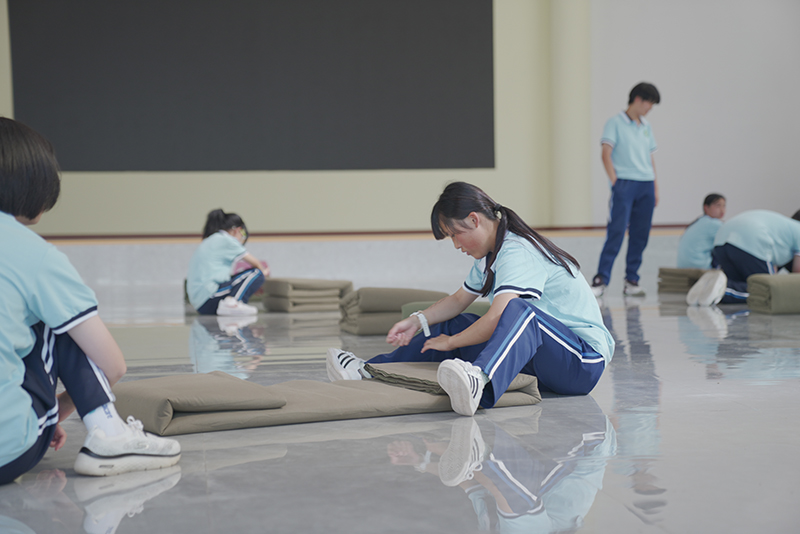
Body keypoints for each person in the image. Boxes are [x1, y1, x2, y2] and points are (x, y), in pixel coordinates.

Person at [326, 182, 614, 416]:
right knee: (455, 322)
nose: (455, 245)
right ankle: (368, 371)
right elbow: (457, 300)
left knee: (519, 311)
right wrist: (417, 321)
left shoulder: (518, 251)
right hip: (543, 360)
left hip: (582, 363)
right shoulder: (489, 257)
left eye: (455, 234)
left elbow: (500, 316)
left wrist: (452, 343)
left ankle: (480, 381)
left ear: (474, 220)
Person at [0, 118, 180, 485]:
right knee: (59, 318)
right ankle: (109, 432)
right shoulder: (34, 254)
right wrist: (57, 409)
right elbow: (113, 365)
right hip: (8, 447)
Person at [591, 82, 661, 298]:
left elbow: (650, 158)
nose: (650, 108)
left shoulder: (646, 126)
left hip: (646, 184)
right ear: (638, 99)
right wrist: (616, 182)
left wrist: (655, 187)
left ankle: (632, 280)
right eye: (649, 103)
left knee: (640, 235)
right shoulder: (615, 122)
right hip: (625, 184)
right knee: (617, 232)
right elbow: (606, 153)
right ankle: (601, 279)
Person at [687, 209, 800, 306]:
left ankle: (707, 290)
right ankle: (722, 291)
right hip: (750, 240)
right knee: (766, 290)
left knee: (740, 285)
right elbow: (797, 275)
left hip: (722, 239)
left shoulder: (786, 227)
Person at [187, 209, 267, 315]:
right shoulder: (226, 240)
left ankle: (230, 303)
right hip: (209, 298)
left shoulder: (212, 239)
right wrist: (263, 273)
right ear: (237, 230)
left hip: (201, 303)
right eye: (242, 234)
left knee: (243, 275)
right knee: (256, 273)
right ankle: (232, 304)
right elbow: (256, 263)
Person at [676, 194, 726, 269]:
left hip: (682, 266)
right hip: (701, 266)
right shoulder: (714, 223)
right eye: (718, 206)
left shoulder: (697, 222)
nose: (722, 210)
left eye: (724, 206)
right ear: (706, 207)